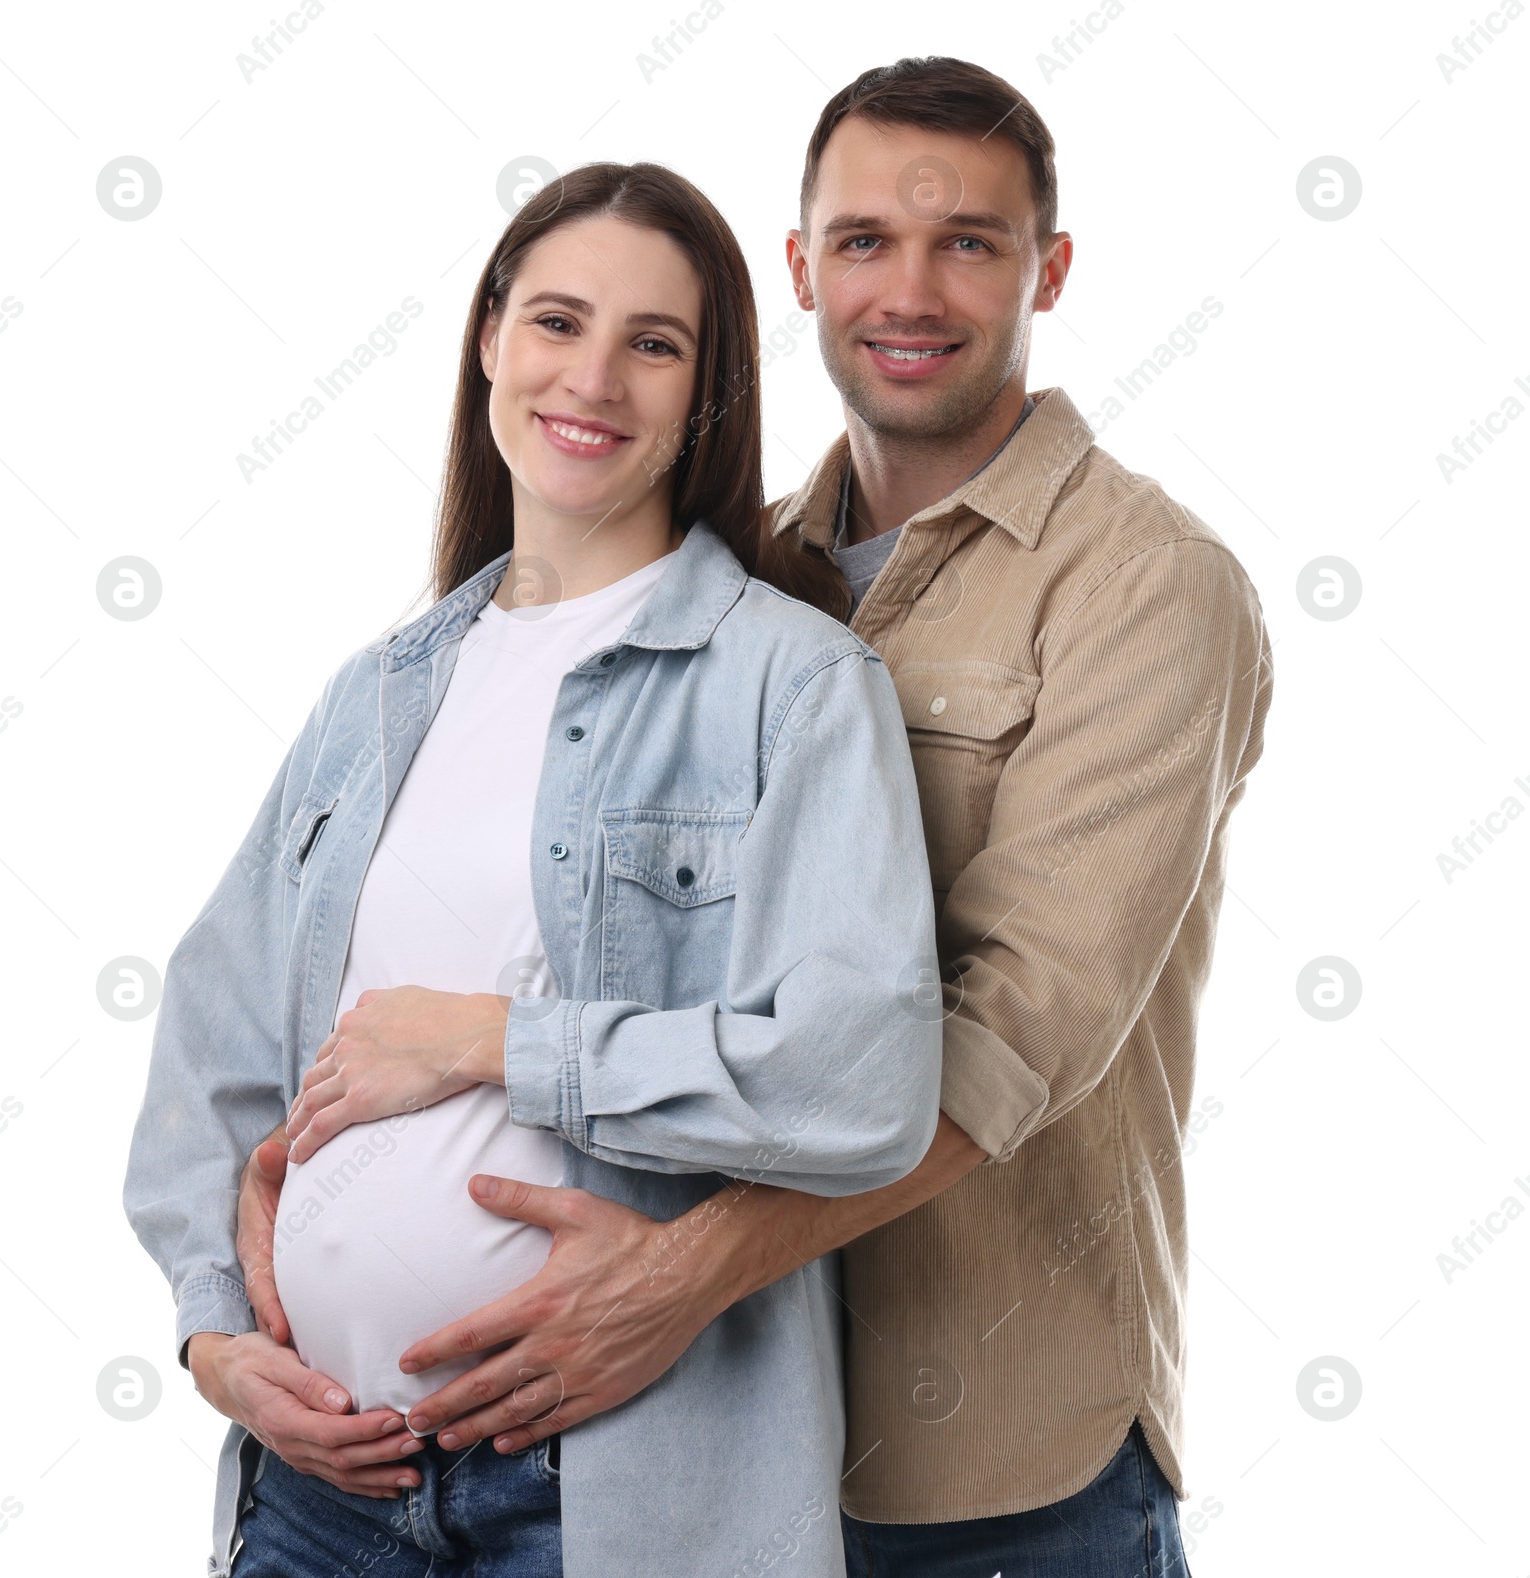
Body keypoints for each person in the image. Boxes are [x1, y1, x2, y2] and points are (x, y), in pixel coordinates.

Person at [241, 58, 1274, 1578]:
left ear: (1049, 270)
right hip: (693, 1440)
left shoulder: (1146, 584)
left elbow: (1011, 1031)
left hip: (985, 1461)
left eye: (969, 242)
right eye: (863, 240)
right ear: (799, 268)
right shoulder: (733, 583)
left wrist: (678, 1272)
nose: (909, 290)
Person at [123, 159, 944, 1578]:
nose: (595, 378)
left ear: (706, 393)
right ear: (491, 338)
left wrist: (496, 1044)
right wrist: (213, 1339)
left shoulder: (795, 689)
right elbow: (209, 1050)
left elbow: (863, 1077)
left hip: (599, 1508)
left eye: (655, 343)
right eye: (558, 322)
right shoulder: (376, 693)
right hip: (316, 1497)